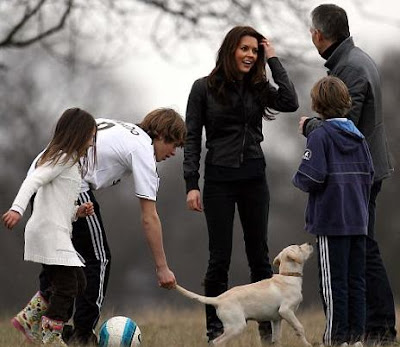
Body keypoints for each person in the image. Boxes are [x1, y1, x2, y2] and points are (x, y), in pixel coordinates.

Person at [12, 108, 186, 346]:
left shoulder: (123, 130)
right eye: (174, 144)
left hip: (41, 176)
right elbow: (149, 217)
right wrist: (162, 268)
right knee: (99, 259)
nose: (174, 152)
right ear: (160, 134)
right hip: (68, 184)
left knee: (60, 263)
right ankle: (82, 335)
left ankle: (34, 320)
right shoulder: (143, 149)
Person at [183, 25, 298, 343]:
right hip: (219, 179)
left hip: (253, 177)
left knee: (259, 253)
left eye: (254, 51)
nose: (250, 55)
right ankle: (214, 328)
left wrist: (272, 59)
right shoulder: (202, 88)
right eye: (244, 49)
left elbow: (290, 101)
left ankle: (266, 328)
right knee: (218, 257)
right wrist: (191, 183)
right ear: (231, 49)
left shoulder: (259, 88)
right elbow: (193, 137)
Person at [299, 4, 395, 345]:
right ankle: (370, 328)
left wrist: (311, 126)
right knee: (364, 248)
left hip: (356, 176)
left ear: (319, 34)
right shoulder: (356, 59)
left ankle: (378, 327)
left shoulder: (350, 68)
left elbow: (344, 125)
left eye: (312, 31)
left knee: (362, 251)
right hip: (366, 169)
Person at [2, 108, 97, 346]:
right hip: (49, 235)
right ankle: (51, 334)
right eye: (90, 136)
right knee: (67, 285)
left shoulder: (70, 163)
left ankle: (29, 317)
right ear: (78, 134)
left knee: (78, 282)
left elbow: (57, 205)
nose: (92, 142)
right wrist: (17, 209)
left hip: (56, 233)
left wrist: (77, 212)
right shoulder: (62, 158)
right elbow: (32, 180)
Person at [293, 76, 374, 346]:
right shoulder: (359, 137)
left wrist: (298, 177)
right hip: (358, 221)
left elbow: (310, 178)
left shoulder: (320, 136)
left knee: (332, 284)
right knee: (356, 282)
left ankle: (335, 339)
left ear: (317, 105)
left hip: (331, 222)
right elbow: (370, 174)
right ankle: (356, 339)